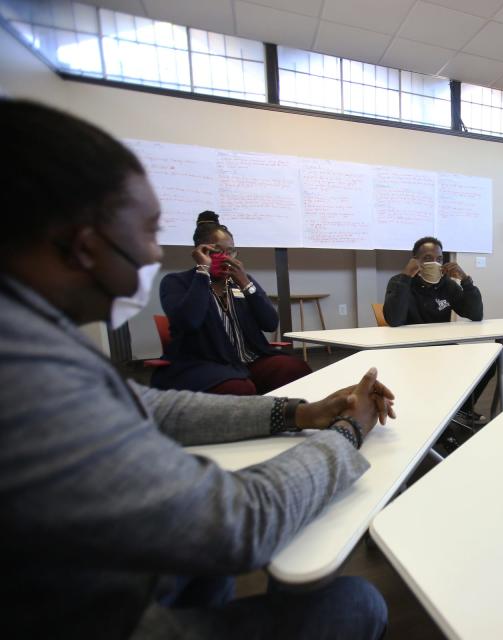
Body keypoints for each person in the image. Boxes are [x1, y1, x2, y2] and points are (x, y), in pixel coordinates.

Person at [0, 100, 392, 639]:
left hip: (100, 572)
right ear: (83, 246)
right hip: (96, 612)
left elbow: (151, 404)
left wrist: (300, 410)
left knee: (281, 371)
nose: (148, 250)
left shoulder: (35, 331)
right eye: (147, 230)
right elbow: (239, 520)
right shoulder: (26, 371)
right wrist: (351, 430)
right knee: (356, 603)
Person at [151, 212, 312, 395]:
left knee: (295, 368)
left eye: (231, 251)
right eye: (219, 251)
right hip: (204, 364)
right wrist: (203, 272)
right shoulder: (176, 282)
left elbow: (270, 323)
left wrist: (247, 284)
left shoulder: (240, 281)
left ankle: (291, 420)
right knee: (238, 387)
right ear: (201, 251)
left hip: (249, 360)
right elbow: (190, 320)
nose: (227, 257)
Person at [383, 236, 492, 427]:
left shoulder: (447, 285)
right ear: (414, 260)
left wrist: (465, 280)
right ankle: (433, 413)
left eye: (439, 259)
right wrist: (406, 277)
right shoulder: (399, 282)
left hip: (443, 347)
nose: (434, 263)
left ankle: (461, 408)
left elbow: (476, 314)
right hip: (409, 351)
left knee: (490, 359)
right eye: (427, 258)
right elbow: (394, 319)